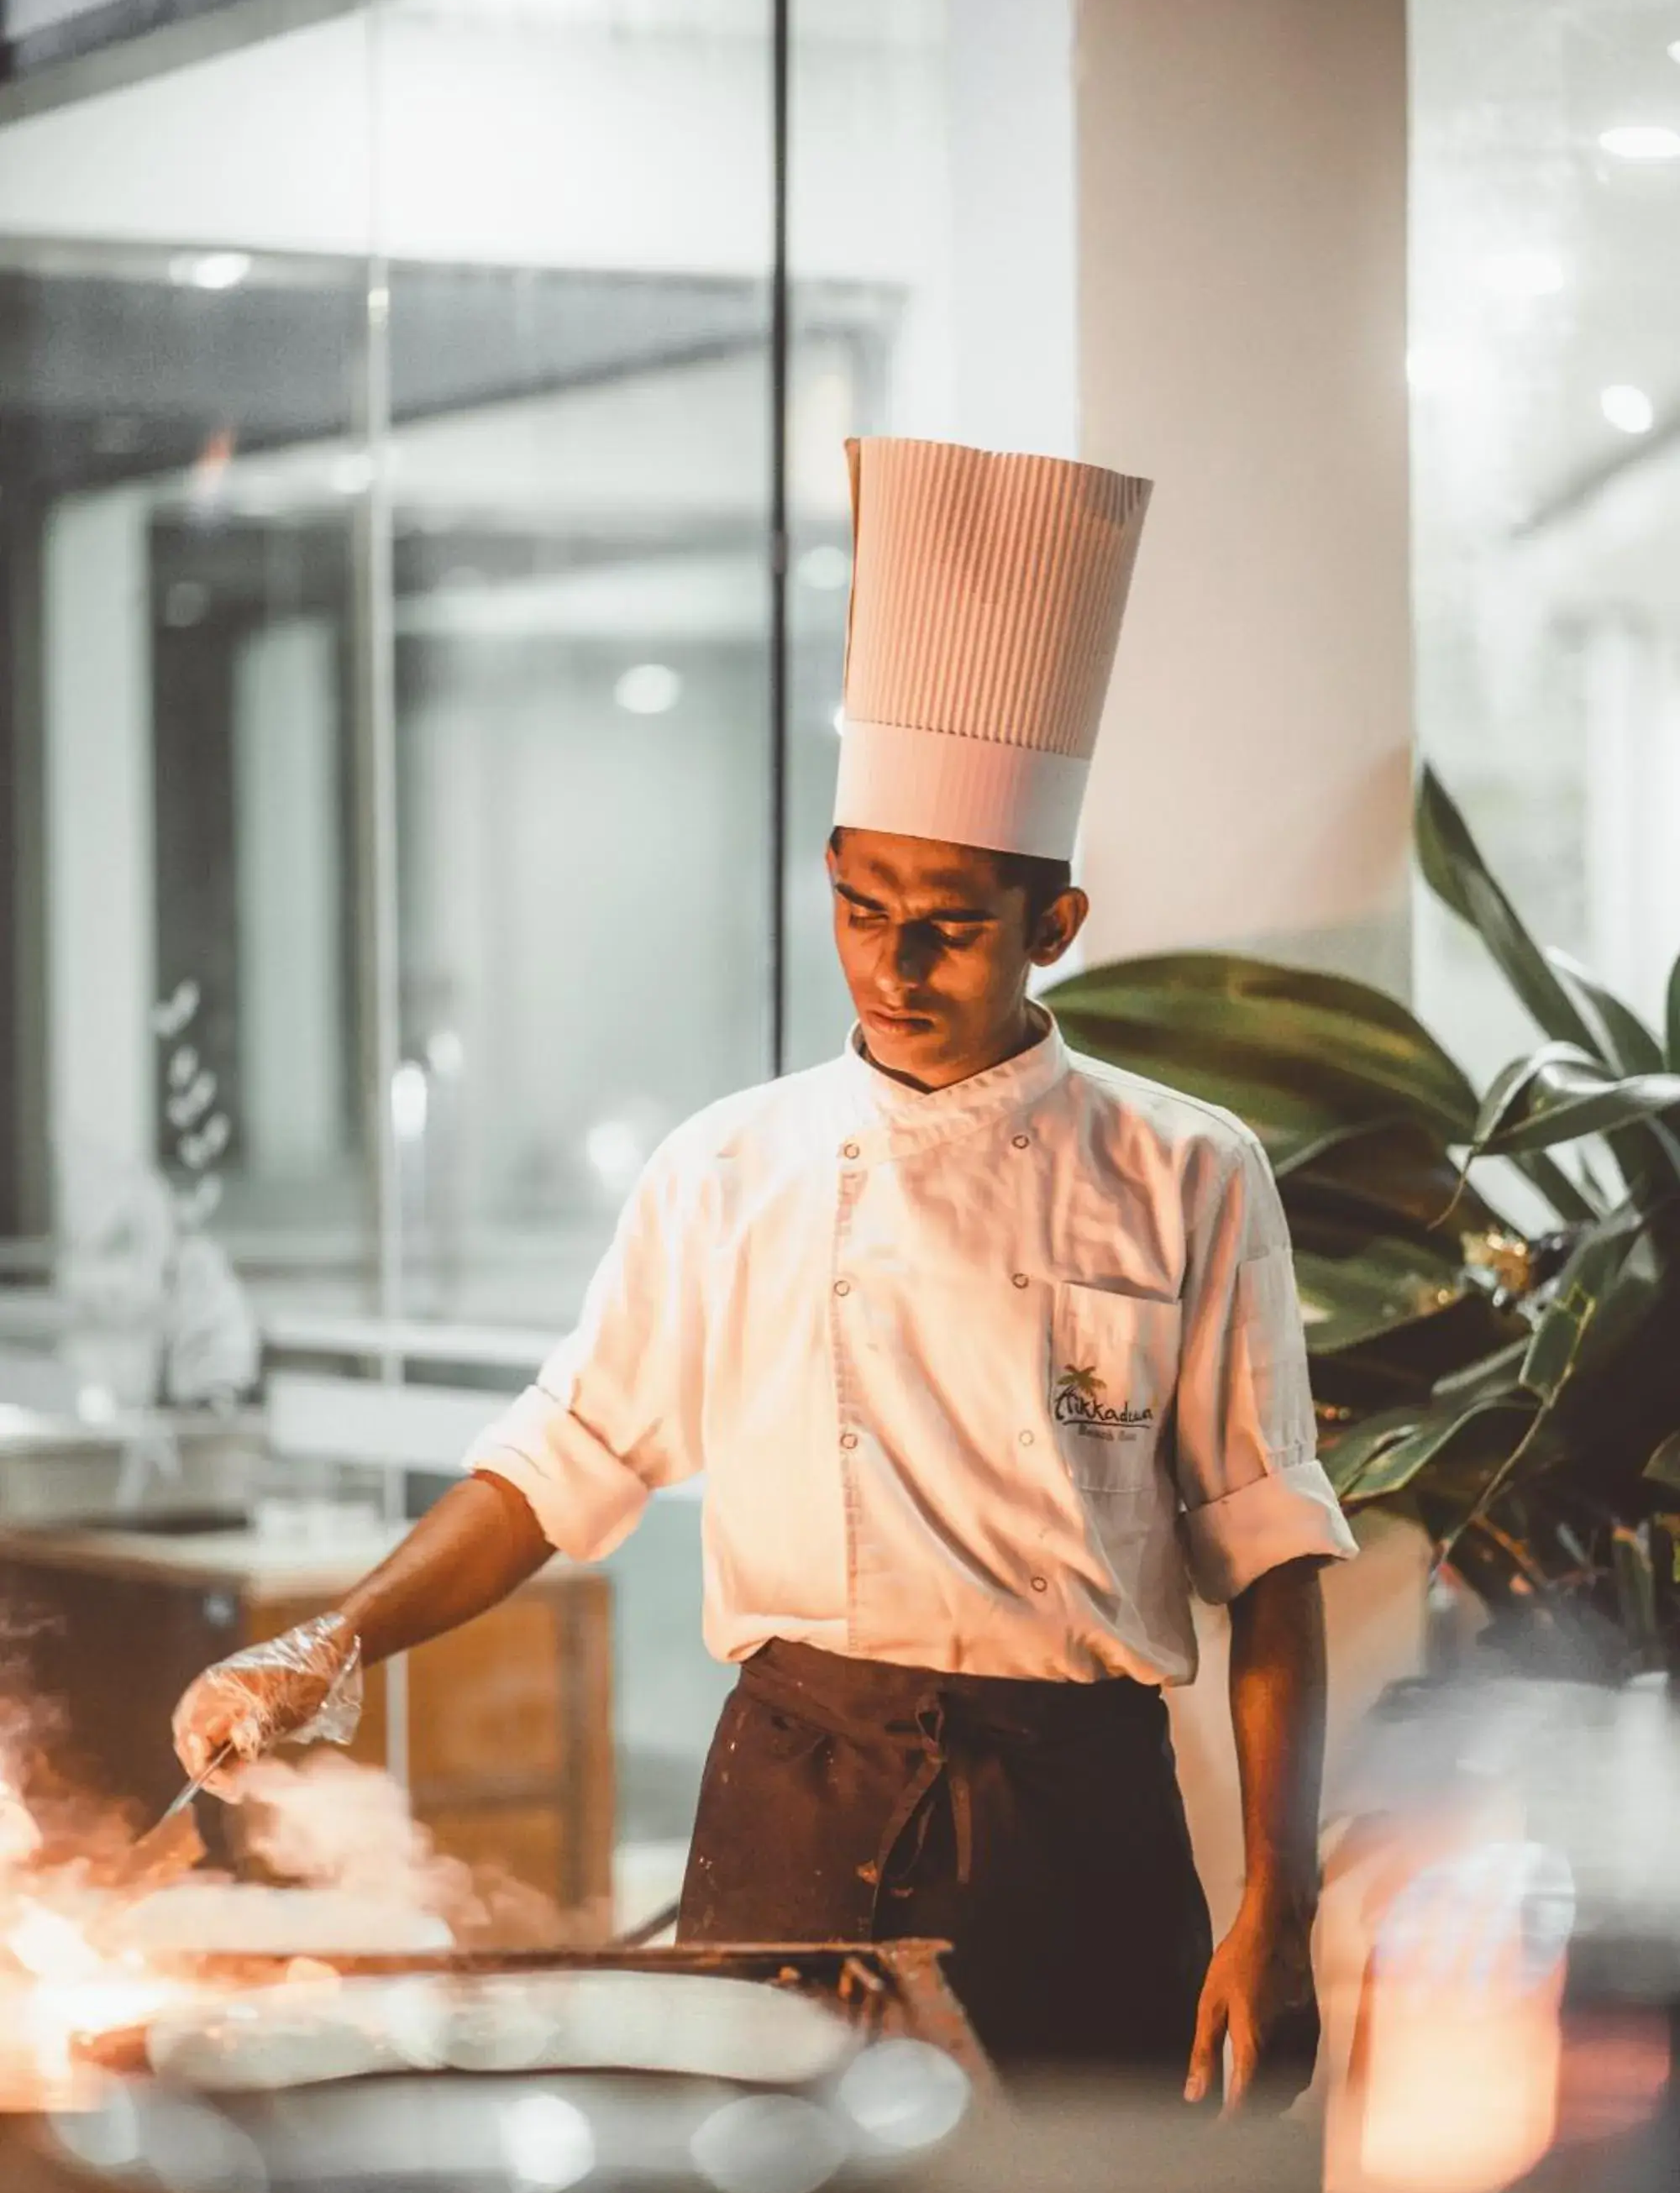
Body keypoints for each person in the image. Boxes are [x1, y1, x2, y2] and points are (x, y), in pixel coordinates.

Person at [174, 436, 1357, 2100]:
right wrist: (337, 1641)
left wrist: (1277, 1903)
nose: (892, 960)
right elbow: (554, 1464)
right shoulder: (731, 1167)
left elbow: (1275, 1564)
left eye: (947, 919)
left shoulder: (1185, 1168)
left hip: (1074, 1825)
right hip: (792, 1803)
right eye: (861, 905)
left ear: (1054, 921)